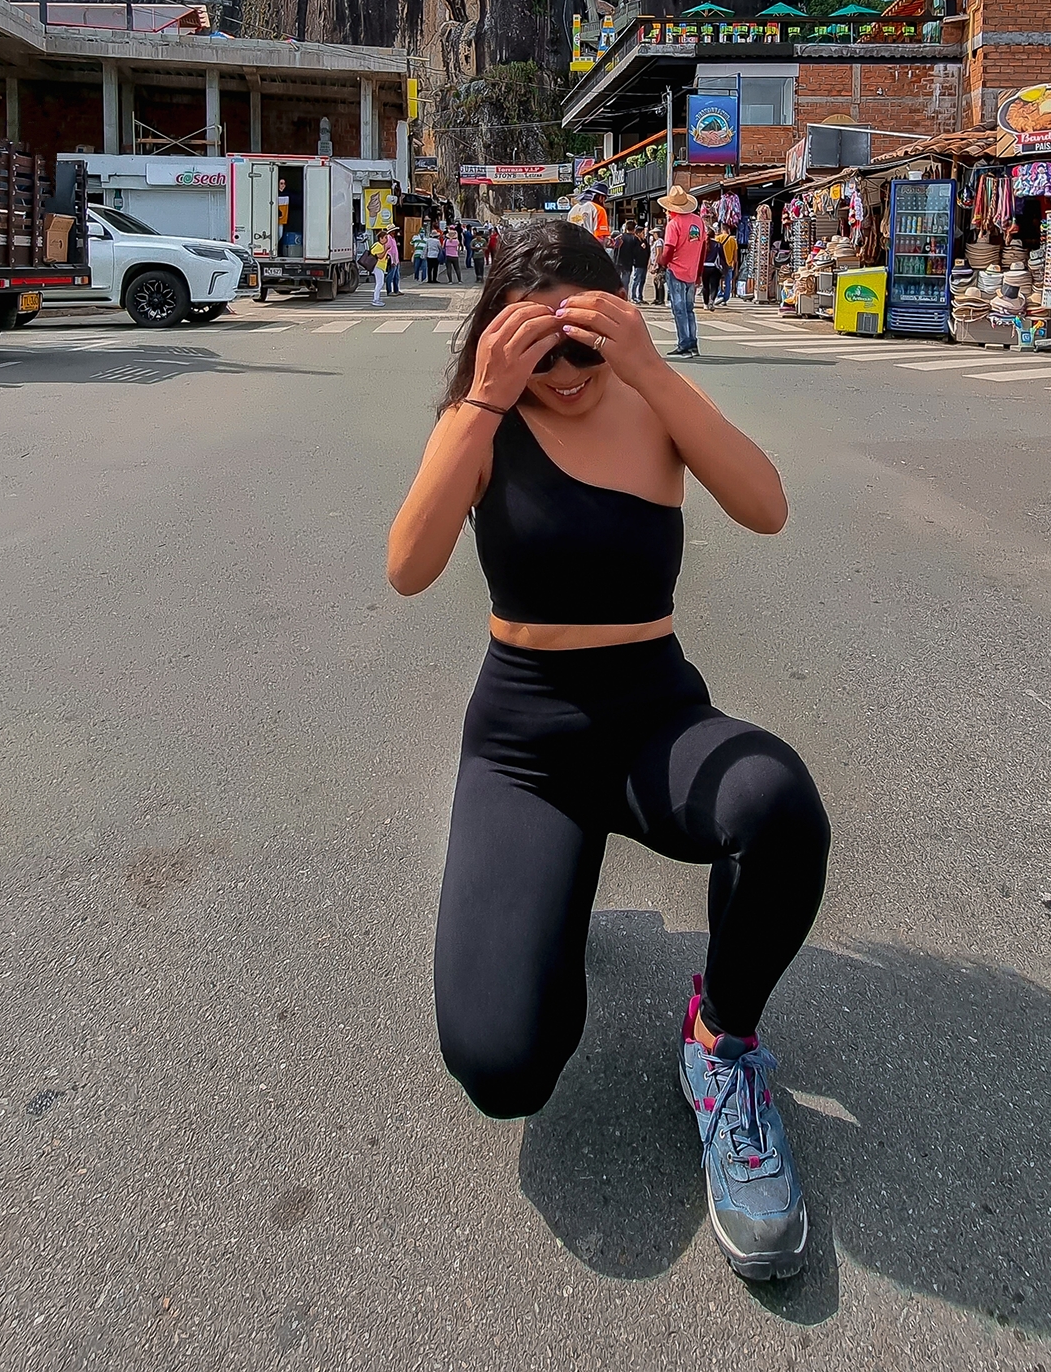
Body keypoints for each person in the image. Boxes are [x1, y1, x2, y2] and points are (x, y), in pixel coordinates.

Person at [386, 220, 828, 1283]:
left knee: (777, 804)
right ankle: (550, 892)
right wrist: (485, 401)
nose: (571, 377)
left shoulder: (643, 398)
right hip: (524, 744)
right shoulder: (482, 417)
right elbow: (408, 567)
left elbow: (766, 507)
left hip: (650, 716)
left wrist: (649, 364)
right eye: (545, 356)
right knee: (504, 1068)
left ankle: (720, 1043)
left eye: (587, 347)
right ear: (504, 345)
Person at [660, 185, 707, 356]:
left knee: (678, 309)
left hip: (676, 270)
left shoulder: (674, 224)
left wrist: (661, 263)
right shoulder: (698, 222)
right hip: (692, 272)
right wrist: (699, 272)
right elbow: (703, 248)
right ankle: (693, 343)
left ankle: (684, 344)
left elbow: (668, 250)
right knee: (689, 309)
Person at [616, 220, 648, 303]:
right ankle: (623, 299)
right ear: (634, 229)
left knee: (617, 281)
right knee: (625, 282)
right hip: (628, 262)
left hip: (618, 261)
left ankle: (616, 297)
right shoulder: (634, 239)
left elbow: (615, 248)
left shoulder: (620, 237)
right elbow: (637, 252)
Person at [719, 226, 739, 304]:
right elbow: (735, 255)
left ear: (722, 230)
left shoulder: (718, 238)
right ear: (728, 230)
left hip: (719, 264)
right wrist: (735, 263)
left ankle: (719, 295)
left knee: (717, 281)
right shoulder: (732, 240)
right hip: (729, 264)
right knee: (728, 282)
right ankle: (726, 298)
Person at [382, 226, 401, 298]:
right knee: (390, 276)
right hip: (392, 259)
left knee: (396, 276)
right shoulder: (388, 238)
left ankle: (396, 290)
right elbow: (389, 250)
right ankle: (389, 290)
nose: (395, 232)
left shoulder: (392, 238)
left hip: (395, 259)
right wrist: (393, 260)